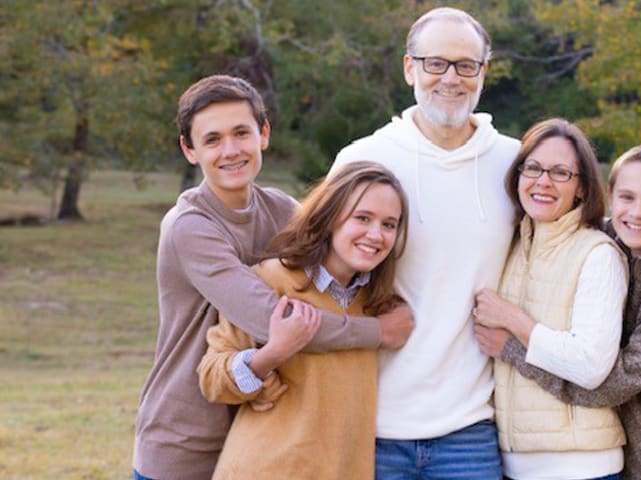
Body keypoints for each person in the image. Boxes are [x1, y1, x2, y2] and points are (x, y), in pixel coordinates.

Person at [132, 75, 413, 480]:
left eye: (241, 133)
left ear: (263, 134)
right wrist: (378, 332)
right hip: (189, 440)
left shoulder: (282, 210)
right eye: (212, 140)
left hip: (262, 427)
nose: (231, 150)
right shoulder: (189, 227)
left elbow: (334, 266)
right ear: (188, 150)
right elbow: (276, 320)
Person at [331, 7, 519, 478]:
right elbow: (314, 271)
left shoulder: (516, 165)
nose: (450, 78)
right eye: (435, 63)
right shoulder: (363, 158)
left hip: (471, 429)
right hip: (370, 423)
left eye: (465, 65)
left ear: (483, 72)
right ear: (409, 67)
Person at [479, 141, 641, 479]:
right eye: (627, 198)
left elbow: (614, 383)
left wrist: (513, 347)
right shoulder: (605, 238)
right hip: (620, 444)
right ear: (610, 195)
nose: (636, 213)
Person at [196, 161, 408, 479]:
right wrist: (272, 354)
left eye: (389, 224)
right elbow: (212, 378)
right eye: (362, 218)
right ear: (331, 216)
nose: (376, 234)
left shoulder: (378, 305)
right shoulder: (271, 282)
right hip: (266, 469)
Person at [472, 118, 629, 480]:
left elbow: (590, 365)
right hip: (514, 464)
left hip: (581, 467)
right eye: (534, 168)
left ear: (581, 189)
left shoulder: (597, 254)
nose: (543, 181)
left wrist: (513, 321)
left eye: (560, 173)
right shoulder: (510, 245)